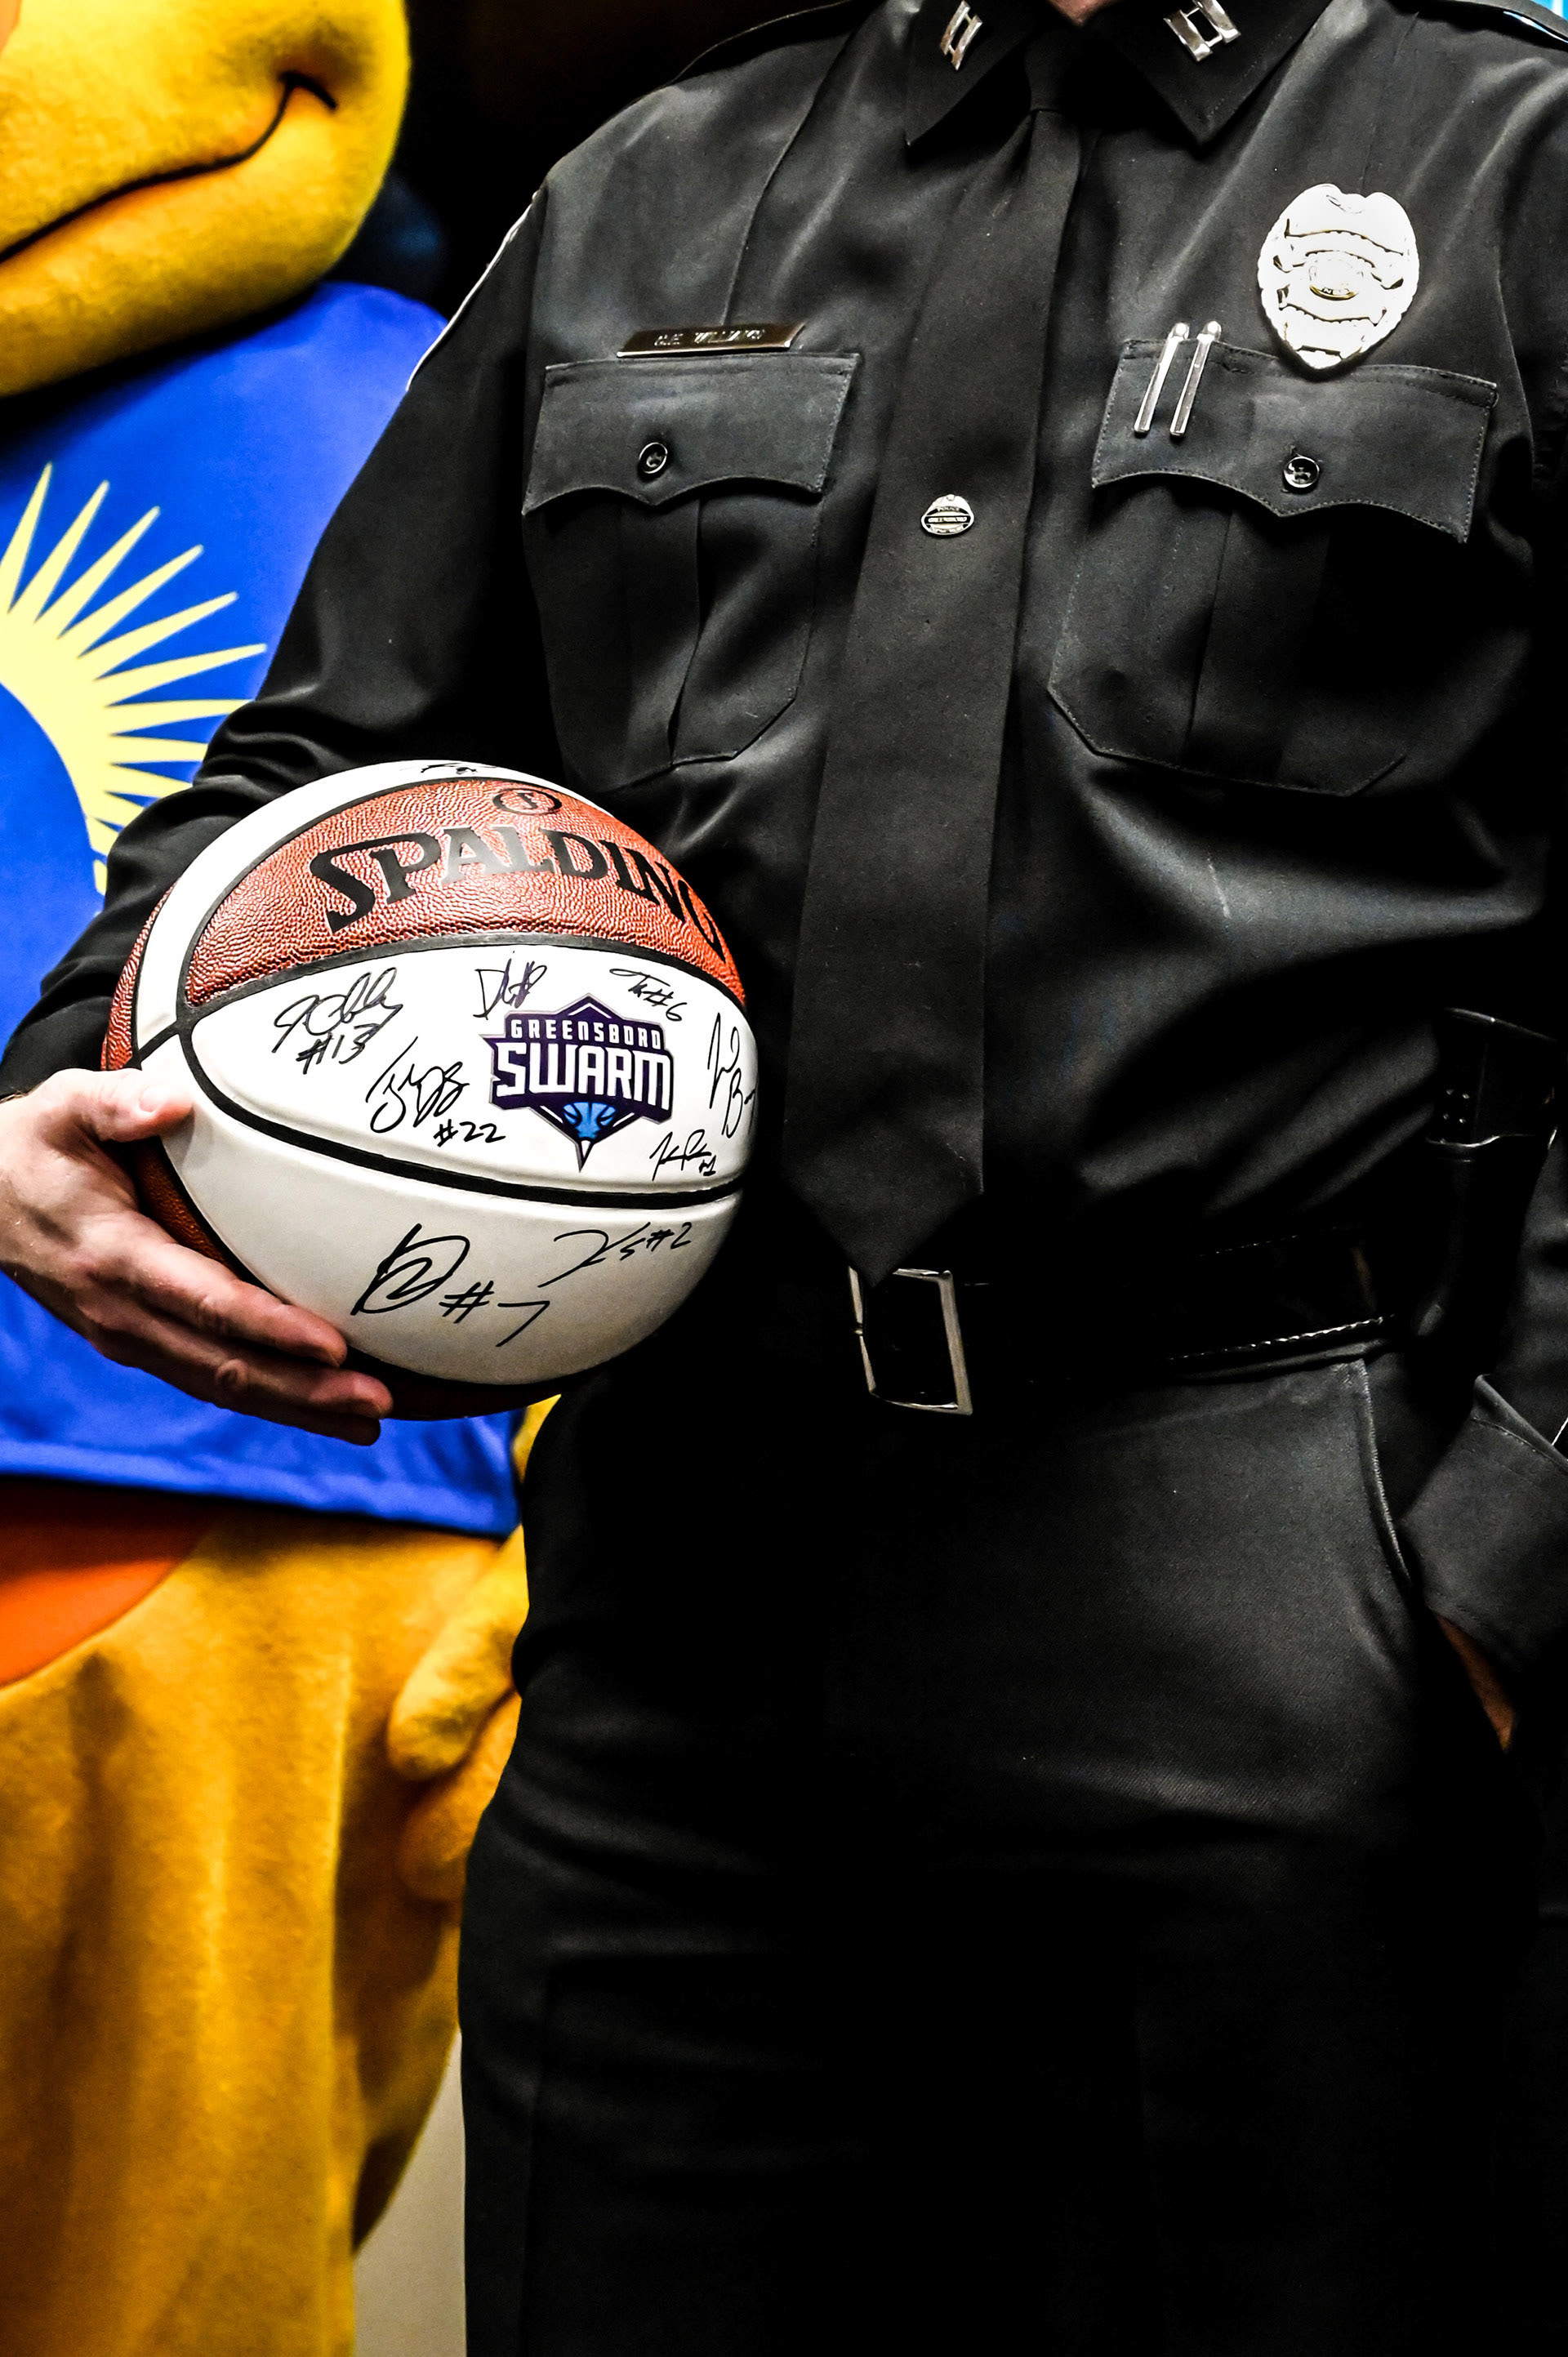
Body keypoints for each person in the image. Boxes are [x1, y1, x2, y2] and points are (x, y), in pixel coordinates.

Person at [5, 0, 1568, 2342]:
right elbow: (333, 762)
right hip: (680, 1612)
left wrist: (1503, 1554)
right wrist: (68, 1074)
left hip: (1285, 1570)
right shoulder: (648, 184)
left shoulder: (1518, 164)